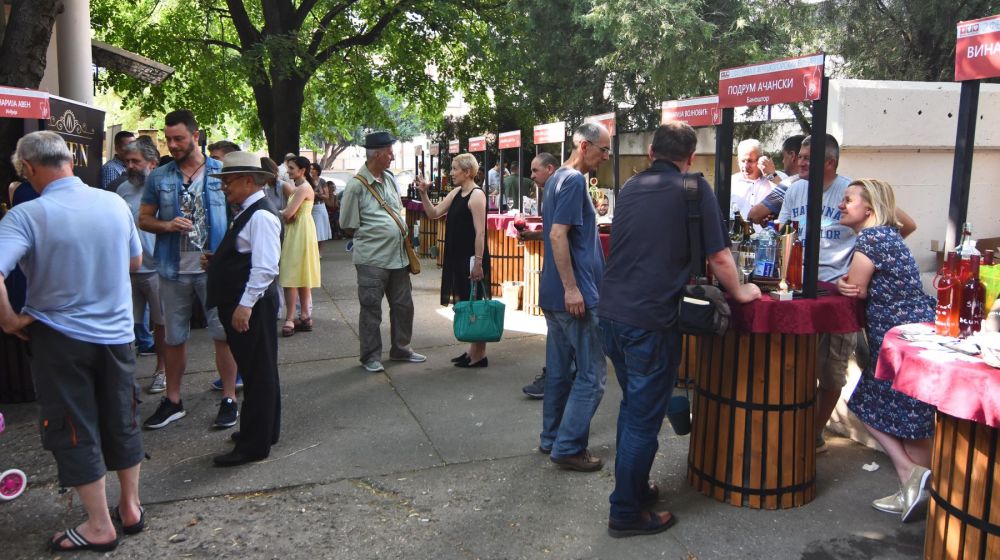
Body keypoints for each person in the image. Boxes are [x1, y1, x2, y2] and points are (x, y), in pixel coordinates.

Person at [598, 122, 761, 537]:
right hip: (650, 320)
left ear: (651, 151)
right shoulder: (694, 188)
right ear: (690, 157)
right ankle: (625, 512)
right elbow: (720, 256)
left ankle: (633, 489)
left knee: (632, 407)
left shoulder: (632, 187)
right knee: (642, 418)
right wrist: (741, 291)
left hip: (612, 313)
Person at [0, 131, 145, 552]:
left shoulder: (26, 215)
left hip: (60, 338)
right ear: (69, 160)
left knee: (73, 426)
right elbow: (135, 260)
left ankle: (100, 525)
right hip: (117, 334)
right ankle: (130, 508)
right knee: (122, 415)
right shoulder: (113, 203)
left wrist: (9, 319)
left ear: (28, 168)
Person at [835, 179, 935, 522]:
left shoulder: (872, 238)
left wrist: (838, 282)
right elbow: (907, 223)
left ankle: (913, 478)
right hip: (913, 336)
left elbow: (855, 288)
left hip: (897, 341)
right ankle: (915, 490)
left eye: (848, 199)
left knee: (871, 405)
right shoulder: (889, 235)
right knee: (912, 418)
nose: (841, 205)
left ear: (870, 209)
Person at [138, 109, 240, 430]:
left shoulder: (221, 172)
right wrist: (167, 224)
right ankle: (173, 400)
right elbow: (144, 219)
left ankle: (228, 398)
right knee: (173, 337)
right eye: (168, 139)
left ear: (196, 136)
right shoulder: (159, 176)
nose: (173, 144)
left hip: (212, 269)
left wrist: (227, 257)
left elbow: (240, 218)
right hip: (172, 269)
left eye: (179, 138)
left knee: (222, 334)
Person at [538, 122, 611, 472]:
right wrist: (572, 288)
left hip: (556, 295)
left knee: (559, 372)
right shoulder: (573, 180)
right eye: (603, 149)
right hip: (573, 297)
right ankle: (567, 446)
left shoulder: (556, 179)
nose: (606, 156)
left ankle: (552, 438)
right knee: (592, 376)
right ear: (584, 146)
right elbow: (556, 235)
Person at [205, 152, 283, 467]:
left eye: (228, 181)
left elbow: (265, 268)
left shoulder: (260, 215)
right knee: (259, 371)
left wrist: (244, 306)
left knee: (257, 373)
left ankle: (254, 443)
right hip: (247, 303)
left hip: (252, 306)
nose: (224, 187)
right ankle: (263, 432)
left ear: (249, 181)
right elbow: (247, 255)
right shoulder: (251, 211)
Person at [340, 131, 426, 373]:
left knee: (404, 305)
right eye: (389, 152)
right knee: (371, 309)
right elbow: (347, 224)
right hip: (372, 259)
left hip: (398, 257)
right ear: (376, 154)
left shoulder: (389, 178)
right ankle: (370, 356)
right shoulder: (356, 185)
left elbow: (396, 209)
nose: (392, 156)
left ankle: (401, 349)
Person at [415, 153, 491, 367]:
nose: (451, 173)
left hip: (471, 258)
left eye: (455, 169)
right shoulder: (458, 192)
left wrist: (478, 262)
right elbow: (434, 212)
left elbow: (480, 233)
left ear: (467, 172)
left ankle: (480, 354)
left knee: (474, 303)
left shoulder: (477, 196)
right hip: (457, 256)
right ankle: (473, 351)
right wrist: (424, 194)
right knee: (467, 302)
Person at [116, 137, 168, 393]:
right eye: (127, 161)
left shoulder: (165, 189)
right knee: (127, 324)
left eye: (135, 161)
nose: (130, 166)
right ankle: (125, 375)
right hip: (128, 270)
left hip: (157, 268)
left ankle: (162, 371)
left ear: (152, 163)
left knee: (161, 324)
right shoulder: (122, 190)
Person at [520, 152, 561, 399]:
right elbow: (551, 230)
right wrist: (533, 236)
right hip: (555, 273)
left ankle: (557, 378)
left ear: (550, 168)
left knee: (563, 331)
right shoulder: (550, 193)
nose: (532, 175)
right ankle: (559, 376)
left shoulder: (561, 190)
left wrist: (568, 284)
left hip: (562, 276)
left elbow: (559, 234)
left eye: (535, 171)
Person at [279, 156, 322, 337]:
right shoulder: (302, 187)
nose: (288, 171)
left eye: (291, 168)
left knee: (290, 275)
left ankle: (290, 318)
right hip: (302, 231)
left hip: (299, 232)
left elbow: (288, 213)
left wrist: (273, 211)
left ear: (302, 170)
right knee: (302, 274)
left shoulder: (302, 188)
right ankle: (304, 315)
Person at [747, 134, 805, 224]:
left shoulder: (791, 182)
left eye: (783, 156)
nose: (782, 161)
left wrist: (771, 175)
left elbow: (754, 215)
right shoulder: (823, 181)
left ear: (792, 156)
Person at [730, 139, 778, 226]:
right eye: (742, 161)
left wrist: (770, 175)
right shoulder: (731, 182)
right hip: (737, 238)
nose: (745, 166)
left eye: (750, 161)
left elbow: (785, 198)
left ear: (761, 159)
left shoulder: (775, 178)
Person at [309, 162, 333, 244]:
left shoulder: (322, 181)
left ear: (317, 171)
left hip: (320, 207)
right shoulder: (307, 180)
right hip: (309, 207)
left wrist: (317, 194)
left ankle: (320, 252)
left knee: (321, 230)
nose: (310, 170)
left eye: (312, 169)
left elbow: (327, 196)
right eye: (310, 168)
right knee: (311, 230)